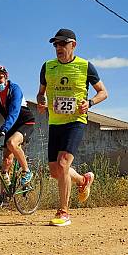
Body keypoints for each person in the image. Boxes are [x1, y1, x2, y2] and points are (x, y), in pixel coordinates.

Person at [37, 28, 108, 227]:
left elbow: (103, 92)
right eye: (55, 44)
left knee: (62, 164)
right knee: (55, 171)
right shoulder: (47, 67)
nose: (58, 48)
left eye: (62, 44)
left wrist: (90, 103)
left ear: (73, 45)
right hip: (55, 122)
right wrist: (41, 101)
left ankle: (64, 212)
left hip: (76, 122)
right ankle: (82, 181)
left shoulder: (86, 66)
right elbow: (40, 93)